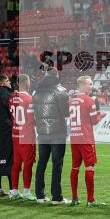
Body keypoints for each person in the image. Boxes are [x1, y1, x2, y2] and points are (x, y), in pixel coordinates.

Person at [33, 67, 70, 204]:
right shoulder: (61, 91)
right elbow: (66, 112)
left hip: (42, 132)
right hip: (57, 133)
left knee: (41, 163)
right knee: (57, 164)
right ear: (56, 75)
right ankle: (56, 196)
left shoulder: (36, 90)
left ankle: (40, 195)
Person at [68, 75, 106, 206]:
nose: (91, 86)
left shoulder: (72, 99)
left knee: (75, 167)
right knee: (89, 167)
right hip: (86, 138)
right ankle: (90, 200)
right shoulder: (90, 100)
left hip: (74, 137)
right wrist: (100, 115)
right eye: (89, 84)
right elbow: (94, 121)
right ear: (82, 85)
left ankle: (74, 197)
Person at [9, 74, 37, 201]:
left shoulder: (12, 98)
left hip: (15, 133)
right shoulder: (29, 99)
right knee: (28, 163)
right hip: (26, 135)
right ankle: (26, 192)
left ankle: (14, 191)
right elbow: (32, 119)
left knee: (16, 163)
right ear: (26, 82)